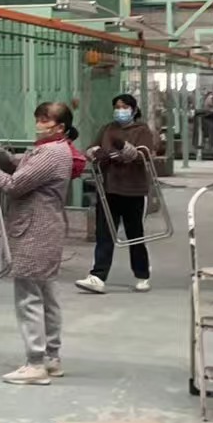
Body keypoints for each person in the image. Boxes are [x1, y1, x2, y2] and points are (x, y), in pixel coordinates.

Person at [0, 102, 84, 386]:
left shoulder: (51, 152)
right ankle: (51, 358)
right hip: (46, 229)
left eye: (45, 119)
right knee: (47, 295)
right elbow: (24, 165)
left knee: (29, 298)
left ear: (60, 126)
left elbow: (15, 185)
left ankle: (35, 363)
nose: (39, 123)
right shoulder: (53, 148)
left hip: (35, 231)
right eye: (38, 117)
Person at [76, 94, 163, 296]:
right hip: (108, 189)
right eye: (117, 107)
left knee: (135, 234)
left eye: (124, 107)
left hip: (133, 190)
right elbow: (91, 148)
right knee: (104, 234)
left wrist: (125, 150)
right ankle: (98, 276)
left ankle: (142, 275)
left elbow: (144, 155)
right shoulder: (107, 129)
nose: (120, 111)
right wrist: (94, 153)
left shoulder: (142, 130)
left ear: (133, 110)